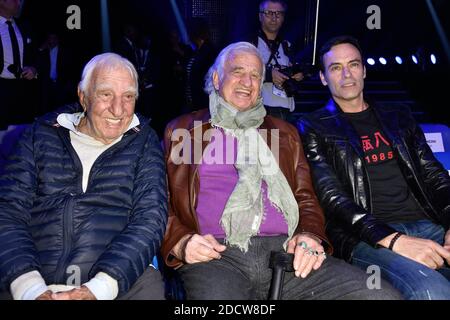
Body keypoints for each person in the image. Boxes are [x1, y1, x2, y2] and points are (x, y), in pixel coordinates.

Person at [161, 41, 401, 300]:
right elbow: (160, 202)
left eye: (255, 75)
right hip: (215, 255)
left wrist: (310, 235)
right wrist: (181, 240)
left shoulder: (283, 132)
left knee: (381, 296)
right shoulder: (184, 131)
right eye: (238, 71)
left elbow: (306, 198)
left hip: (287, 252)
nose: (247, 82)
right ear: (217, 78)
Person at [0, 53, 168, 300]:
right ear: (83, 96)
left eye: (128, 97)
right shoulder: (40, 136)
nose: (118, 109)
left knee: (150, 286)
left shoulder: (144, 141)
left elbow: (149, 220)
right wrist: (30, 287)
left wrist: (99, 288)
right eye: (105, 94)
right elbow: (8, 211)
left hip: (116, 279)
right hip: (34, 272)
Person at [299, 35, 450, 300]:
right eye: (335, 67)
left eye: (353, 64)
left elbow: (435, 177)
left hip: (428, 225)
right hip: (368, 237)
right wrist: (394, 240)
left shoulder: (398, 115)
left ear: (364, 70)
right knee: (433, 291)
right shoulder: (313, 126)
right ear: (323, 77)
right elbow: (332, 198)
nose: (347, 74)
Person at [252, 0, 304, 122]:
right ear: (260, 16)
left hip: (288, 111)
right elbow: (239, 73)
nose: (274, 17)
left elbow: (293, 69)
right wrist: (269, 75)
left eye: (278, 13)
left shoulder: (287, 45)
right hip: (261, 111)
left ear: (283, 17)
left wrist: (297, 75)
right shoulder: (250, 43)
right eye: (269, 13)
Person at [0, 0, 38, 129]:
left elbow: (36, 55)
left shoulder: (25, 26)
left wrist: (33, 69)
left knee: (22, 134)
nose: (19, 3)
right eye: (15, 0)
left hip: (23, 88)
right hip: (1, 88)